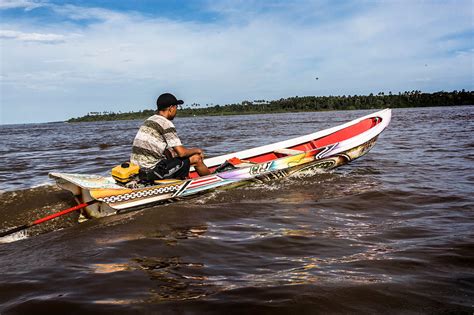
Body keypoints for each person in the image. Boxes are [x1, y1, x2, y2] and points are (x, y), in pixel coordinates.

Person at [130, 93, 211, 181]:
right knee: (196, 158)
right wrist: (197, 150)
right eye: (176, 107)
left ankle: (179, 177)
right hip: (151, 171)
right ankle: (212, 181)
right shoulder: (165, 123)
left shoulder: (150, 120)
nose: (176, 110)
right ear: (171, 108)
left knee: (170, 154)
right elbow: (182, 153)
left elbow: (162, 148)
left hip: (137, 169)